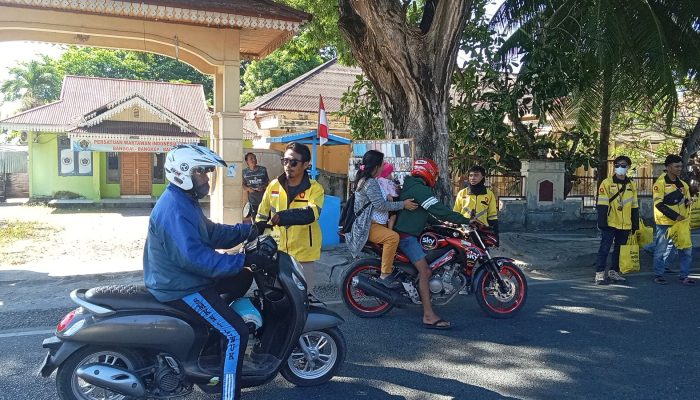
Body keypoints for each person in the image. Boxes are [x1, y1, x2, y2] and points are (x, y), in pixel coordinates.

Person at [143, 144, 270, 400]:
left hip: (184, 278)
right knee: (236, 333)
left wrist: (247, 230)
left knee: (243, 277)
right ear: (184, 173)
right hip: (182, 286)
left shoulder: (184, 201)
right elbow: (196, 259)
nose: (207, 178)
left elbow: (210, 233)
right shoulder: (175, 209)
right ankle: (229, 394)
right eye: (202, 172)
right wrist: (244, 258)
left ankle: (211, 339)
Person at [394, 158, 471, 330]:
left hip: (409, 234)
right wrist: (464, 220)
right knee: (425, 271)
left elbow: (426, 214)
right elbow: (438, 209)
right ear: (428, 172)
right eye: (434, 173)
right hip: (407, 237)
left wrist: (446, 225)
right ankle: (428, 315)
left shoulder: (412, 186)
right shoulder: (420, 189)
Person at [256, 142, 325, 295]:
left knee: (302, 298)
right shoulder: (273, 186)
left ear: (306, 164)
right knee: (277, 296)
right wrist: (256, 234)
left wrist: (283, 217)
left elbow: (311, 214)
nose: (288, 165)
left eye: (293, 162)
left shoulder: (315, 189)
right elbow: (261, 215)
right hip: (278, 252)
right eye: (285, 161)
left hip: (303, 254)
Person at [345, 150, 418, 288]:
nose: (384, 167)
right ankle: (385, 274)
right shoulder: (370, 183)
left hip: (377, 223)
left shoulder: (371, 181)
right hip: (368, 225)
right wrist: (404, 205)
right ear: (376, 166)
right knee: (393, 237)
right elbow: (381, 205)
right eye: (383, 164)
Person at [594, 155, 639, 285]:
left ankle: (614, 272)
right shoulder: (607, 183)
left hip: (625, 224)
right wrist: (602, 223)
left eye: (623, 165)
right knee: (605, 248)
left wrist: (635, 224)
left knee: (620, 250)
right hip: (610, 222)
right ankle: (599, 274)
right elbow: (602, 204)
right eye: (618, 165)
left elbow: (635, 205)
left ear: (628, 167)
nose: (620, 168)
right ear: (614, 167)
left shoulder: (631, 185)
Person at [652, 154, 695, 285]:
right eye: (676, 166)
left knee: (686, 250)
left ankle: (684, 276)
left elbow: (686, 201)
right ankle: (659, 275)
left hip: (681, 223)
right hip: (665, 223)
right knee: (661, 250)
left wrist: (689, 202)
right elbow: (659, 204)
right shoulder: (660, 184)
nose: (679, 169)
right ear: (668, 167)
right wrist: (675, 216)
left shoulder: (683, 185)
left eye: (681, 166)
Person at [453, 165, 499, 242]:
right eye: (470, 175)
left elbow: (492, 216)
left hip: (482, 231)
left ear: (483, 177)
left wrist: (495, 236)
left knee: (483, 253)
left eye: (476, 175)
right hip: (464, 231)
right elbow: (456, 212)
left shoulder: (489, 194)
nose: (472, 178)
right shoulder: (462, 193)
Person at [242, 152, 270, 223]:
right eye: (251, 158)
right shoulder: (244, 172)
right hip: (253, 200)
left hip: (264, 199)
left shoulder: (263, 169)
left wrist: (263, 187)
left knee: (265, 219)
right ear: (247, 161)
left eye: (255, 158)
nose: (254, 160)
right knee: (255, 220)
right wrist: (249, 189)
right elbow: (243, 185)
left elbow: (268, 182)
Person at [377, 162, 401, 230]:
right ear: (386, 173)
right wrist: (388, 195)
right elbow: (384, 189)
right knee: (393, 215)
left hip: (394, 197)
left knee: (393, 215)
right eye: (389, 173)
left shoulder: (387, 180)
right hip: (392, 198)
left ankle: (391, 228)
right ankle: (390, 229)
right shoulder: (382, 180)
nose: (391, 175)